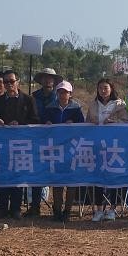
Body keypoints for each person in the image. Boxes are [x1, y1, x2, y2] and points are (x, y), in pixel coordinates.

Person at [0, 68, 36, 220]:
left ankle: (16, 208)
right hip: (2, 145)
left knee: (18, 177)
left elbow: (35, 120)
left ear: (18, 82)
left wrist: (21, 123)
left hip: (21, 144)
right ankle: (2, 208)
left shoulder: (28, 100)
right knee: (3, 176)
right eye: (6, 82)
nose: (9, 84)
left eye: (11, 81)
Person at [87, 78, 128, 221]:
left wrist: (114, 122)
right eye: (100, 88)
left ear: (111, 89)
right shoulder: (93, 105)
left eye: (106, 88)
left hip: (114, 146)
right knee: (98, 177)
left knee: (114, 177)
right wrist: (91, 123)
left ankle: (112, 209)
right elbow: (86, 123)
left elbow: (126, 122)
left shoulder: (119, 104)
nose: (103, 91)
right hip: (97, 146)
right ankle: (99, 210)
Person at [42, 80, 85, 221]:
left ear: (70, 94)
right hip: (55, 148)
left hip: (72, 149)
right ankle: (57, 210)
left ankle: (67, 210)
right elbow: (43, 123)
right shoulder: (50, 108)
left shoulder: (76, 108)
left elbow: (82, 126)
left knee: (71, 181)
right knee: (57, 181)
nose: (62, 95)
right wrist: (47, 123)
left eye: (65, 92)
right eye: (60, 92)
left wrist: (74, 124)